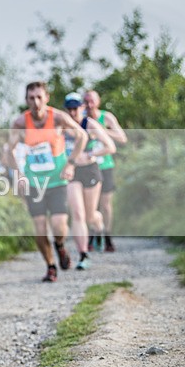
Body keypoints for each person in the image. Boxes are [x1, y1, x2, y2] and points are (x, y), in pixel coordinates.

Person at [5, 82, 87, 282]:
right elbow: (9, 151)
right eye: (31, 98)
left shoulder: (58, 118)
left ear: (46, 98)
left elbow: (82, 136)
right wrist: (19, 174)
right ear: (26, 100)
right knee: (40, 229)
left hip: (57, 180)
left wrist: (70, 164)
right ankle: (51, 266)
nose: (36, 102)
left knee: (59, 225)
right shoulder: (20, 123)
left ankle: (60, 245)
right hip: (34, 183)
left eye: (39, 97)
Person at [62, 92, 116, 270]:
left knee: (90, 215)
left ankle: (99, 228)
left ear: (82, 108)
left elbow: (110, 147)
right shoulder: (62, 126)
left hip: (90, 170)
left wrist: (91, 154)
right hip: (72, 172)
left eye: (75, 109)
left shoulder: (90, 124)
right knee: (77, 214)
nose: (72, 113)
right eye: (69, 109)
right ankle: (83, 255)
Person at [82, 90, 128, 252]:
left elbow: (122, 138)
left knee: (105, 204)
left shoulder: (106, 117)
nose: (89, 105)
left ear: (98, 101)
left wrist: (100, 130)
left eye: (92, 101)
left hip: (105, 166)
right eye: (86, 101)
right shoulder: (81, 119)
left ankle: (107, 237)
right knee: (89, 206)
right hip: (87, 166)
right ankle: (91, 237)